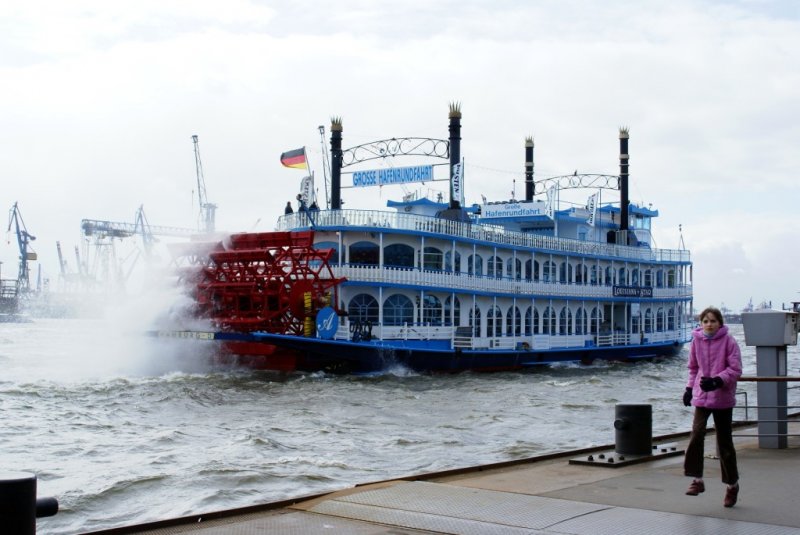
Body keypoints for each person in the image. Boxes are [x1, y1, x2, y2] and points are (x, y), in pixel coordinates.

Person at [682, 306, 742, 507]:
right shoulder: (696, 341)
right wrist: (689, 389)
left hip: (722, 397)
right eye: (705, 321)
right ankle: (696, 480)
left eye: (713, 321)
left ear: (720, 323)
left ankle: (732, 485)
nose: (709, 324)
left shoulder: (729, 341)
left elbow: (735, 369)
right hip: (702, 396)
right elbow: (693, 368)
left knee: (724, 443)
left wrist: (717, 381)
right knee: (696, 434)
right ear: (700, 324)